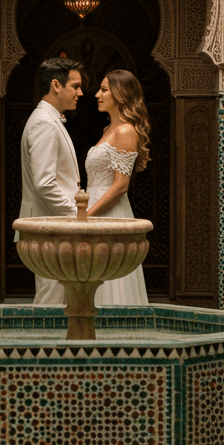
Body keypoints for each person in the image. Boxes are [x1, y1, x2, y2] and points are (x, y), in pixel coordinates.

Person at [18, 57, 84, 305]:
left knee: (60, 300)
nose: (80, 92)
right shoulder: (44, 123)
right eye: (75, 86)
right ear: (56, 85)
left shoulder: (50, 119)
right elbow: (44, 184)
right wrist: (77, 216)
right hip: (50, 230)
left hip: (54, 229)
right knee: (51, 302)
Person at [87, 70, 151, 306]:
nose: (97, 95)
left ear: (120, 94)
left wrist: (87, 215)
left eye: (104, 90)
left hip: (109, 213)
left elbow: (121, 186)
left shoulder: (125, 131)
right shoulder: (107, 131)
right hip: (93, 208)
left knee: (110, 277)